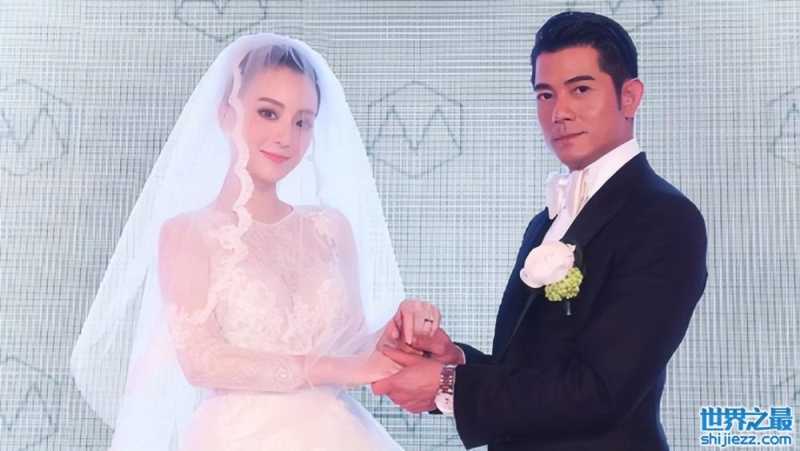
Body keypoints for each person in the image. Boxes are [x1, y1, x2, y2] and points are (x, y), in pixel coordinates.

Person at [70, 33, 439, 450]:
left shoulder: (330, 228)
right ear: (225, 114)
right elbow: (201, 360)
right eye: (268, 113)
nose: (285, 137)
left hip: (339, 432)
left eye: (302, 122)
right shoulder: (188, 233)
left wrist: (397, 333)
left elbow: (352, 342)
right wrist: (329, 368)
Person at [373, 11, 708, 450]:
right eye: (545, 94)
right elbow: (533, 369)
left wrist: (450, 384)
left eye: (580, 89)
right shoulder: (546, 219)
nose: (559, 112)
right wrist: (454, 360)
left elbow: (602, 392)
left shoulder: (664, 218)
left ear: (629, 97)